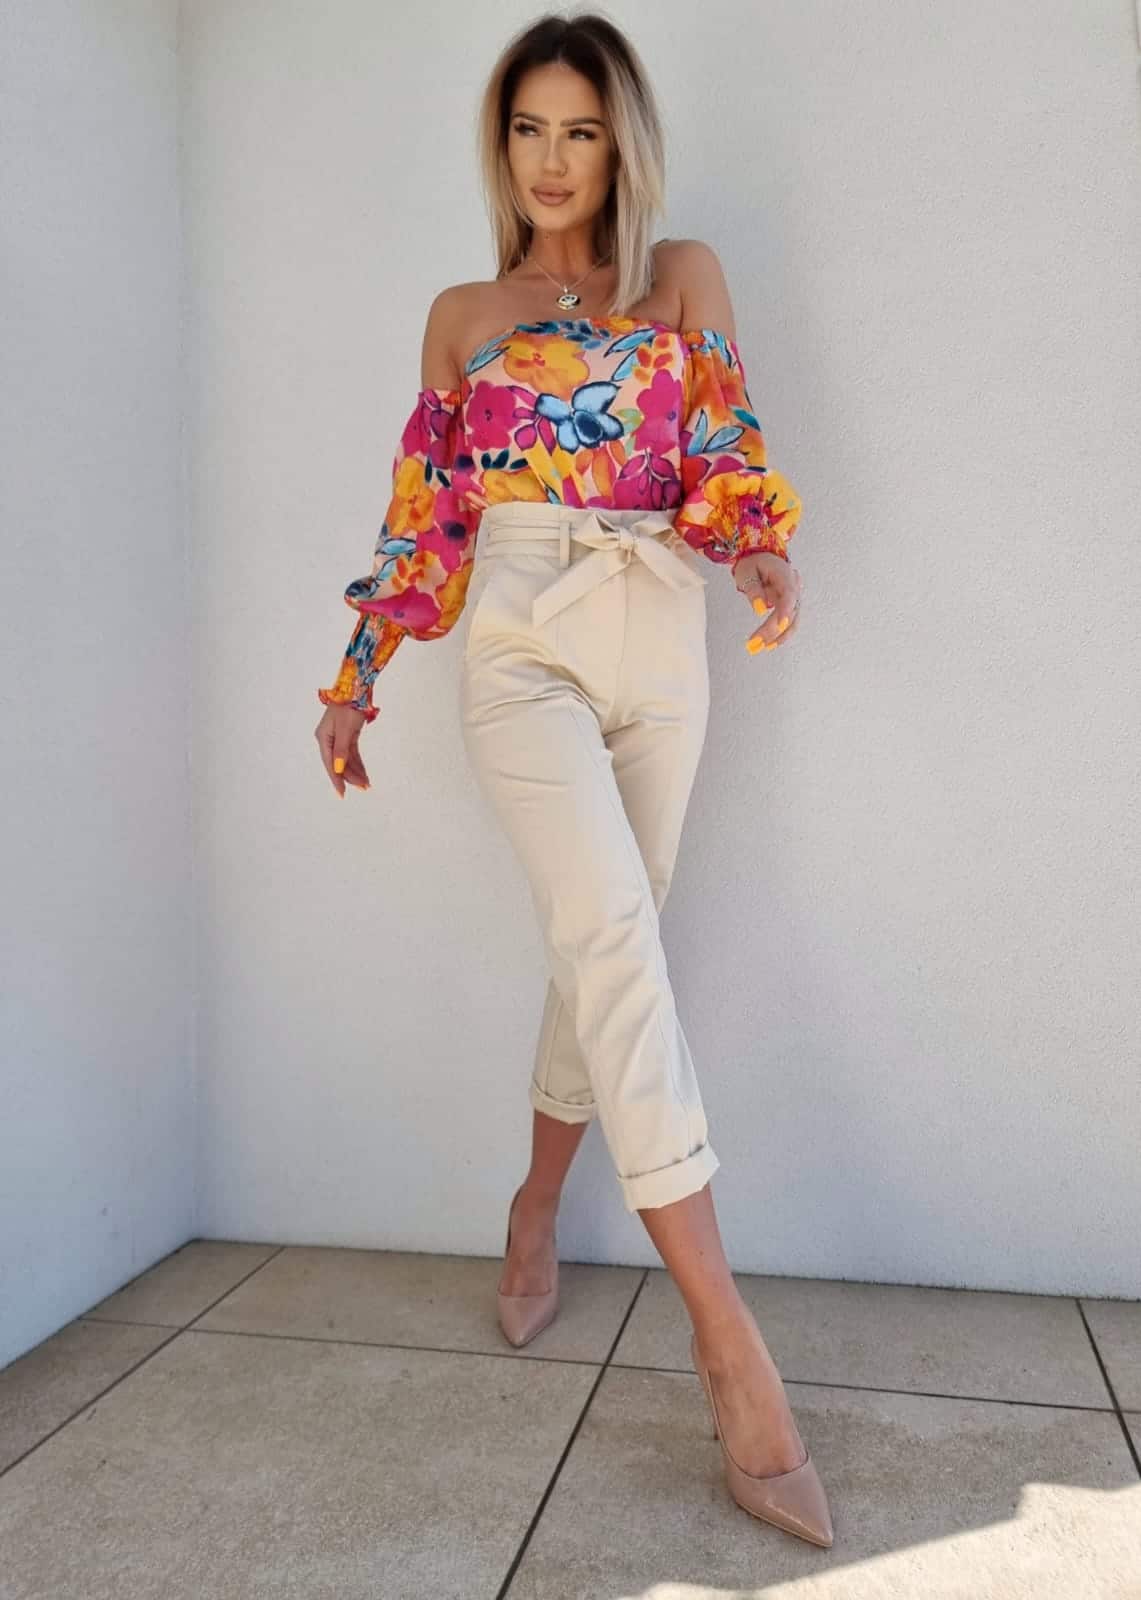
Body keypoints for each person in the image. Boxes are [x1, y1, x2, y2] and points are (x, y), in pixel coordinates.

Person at [313, 10, 829, 1550]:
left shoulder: (683, 278)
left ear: (621, 146)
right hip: (521, 633)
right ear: (503, 146)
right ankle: (726, 1341)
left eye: (580, 131)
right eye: (528, 130)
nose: (552, 160)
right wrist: (357, 675)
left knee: (609, 945)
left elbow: (723, 438)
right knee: (608, 939)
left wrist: (756, 544)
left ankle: (537, 1198)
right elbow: (424, 516)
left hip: (659, 619)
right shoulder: (462, 313)